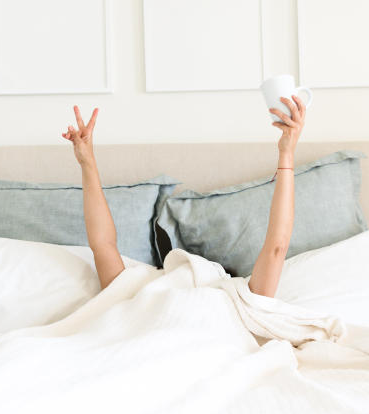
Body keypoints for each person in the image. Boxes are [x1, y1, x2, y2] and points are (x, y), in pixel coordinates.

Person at [62, 95, 306, 297]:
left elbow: (103, 245)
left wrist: (88, 164)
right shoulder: (141, 291)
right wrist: (286, 154)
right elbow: (277, 246)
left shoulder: (236, 300)